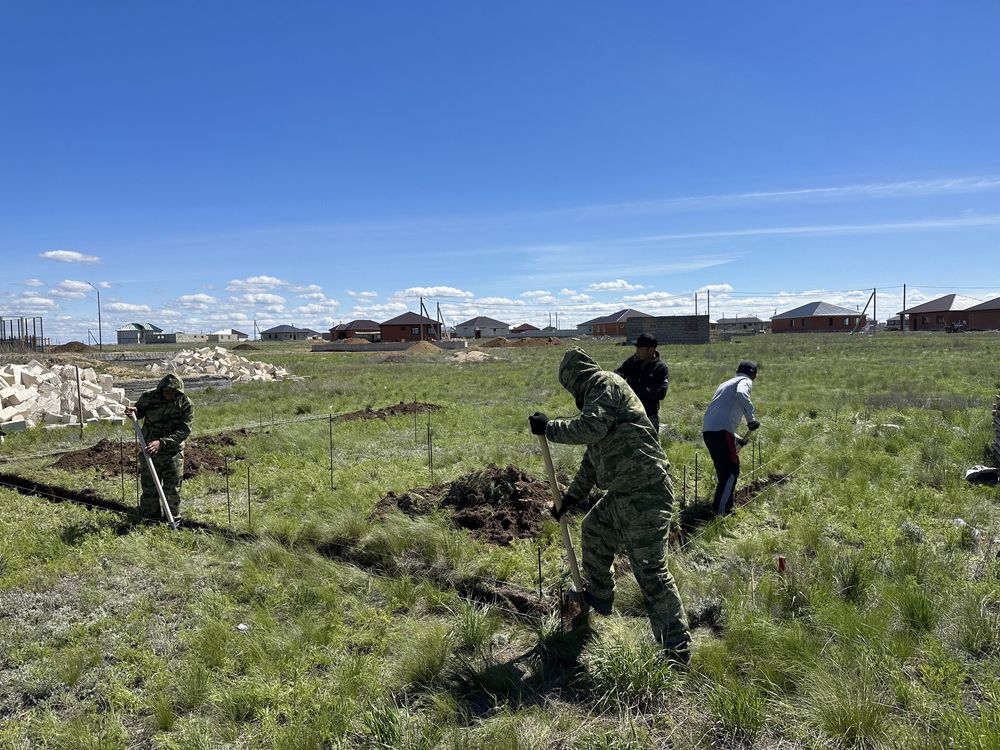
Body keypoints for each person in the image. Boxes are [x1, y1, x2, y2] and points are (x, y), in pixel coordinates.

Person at [529, 347, 690, 663]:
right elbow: (593, 457)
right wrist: (572, 498)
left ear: (576, 379)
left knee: (651, 572)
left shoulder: (604, 382)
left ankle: (676, 649)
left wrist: (550, 428)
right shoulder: (598, 399)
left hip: (647, 491)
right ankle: (600, 598)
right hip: (622, 494)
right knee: (595, 529)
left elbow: (592, 428)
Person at [125, 373, 192, 520]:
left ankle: (173, 520)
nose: (169, 395)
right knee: (150, 488)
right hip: (150, 450)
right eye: (166, 392)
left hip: (172, 452)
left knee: (172, 490)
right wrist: (134, 412)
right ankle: (150, 519)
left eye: (173, 392)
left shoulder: (184, 403)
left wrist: (161, 443)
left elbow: (184, 430)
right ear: (161, 389)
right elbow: (139, 411)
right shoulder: (149, 397)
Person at [702, 360, 760, 516]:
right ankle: (721, 512)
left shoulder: (725, 384)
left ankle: (722, 505)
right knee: (731, 471)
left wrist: (736, 437)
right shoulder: (745, 381)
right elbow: (741, 394)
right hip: (722, 431)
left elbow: (719, 415)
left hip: (709, 431)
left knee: (724, 472)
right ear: (754, 375)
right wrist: (751, 420)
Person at [615, 333, 669, 433]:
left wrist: (635, 389)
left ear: (651, 350)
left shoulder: (661, 368)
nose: (637, 351)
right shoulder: (632, 361)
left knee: (650, 447)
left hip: (648, 415)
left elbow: (661, 393)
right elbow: (619, 373)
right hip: (628, 413)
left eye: (640, 349)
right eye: (636, 348)